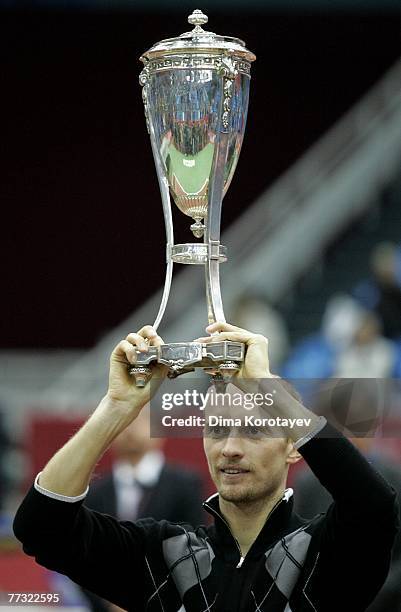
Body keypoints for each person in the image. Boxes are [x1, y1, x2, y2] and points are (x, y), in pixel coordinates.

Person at [13, 323, 399, 611]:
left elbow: (374, 506)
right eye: (216, 429)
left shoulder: (324, 554)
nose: (230, 448)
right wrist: (115, 409)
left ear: (293, 448)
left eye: (254, 430)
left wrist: (265, 385)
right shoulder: (166, 555)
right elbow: (41, 527)